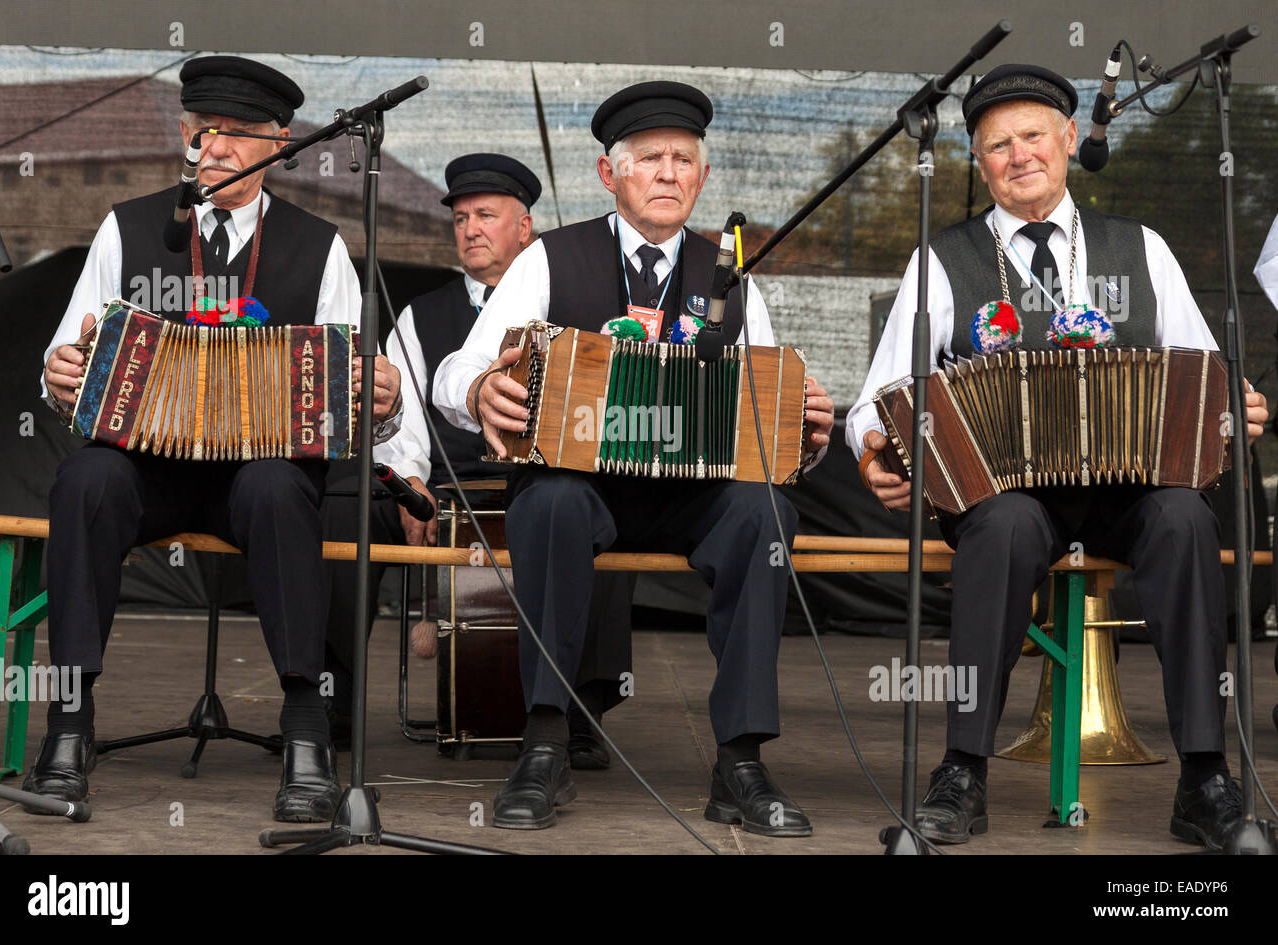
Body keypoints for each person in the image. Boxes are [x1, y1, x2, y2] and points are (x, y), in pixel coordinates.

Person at [846, 64, 1269, 849]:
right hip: (1007, 494)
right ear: (978, 163)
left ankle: (1205, 776)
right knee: (1002, 525)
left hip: (1128, 488)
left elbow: (1207, 371)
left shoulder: (1139, 247)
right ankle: (961, 771)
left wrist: (1234, 407)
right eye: (997, 145)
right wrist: (875, 445)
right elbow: (878, 397)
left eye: (1033, 136)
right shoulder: (944, 258)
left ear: (1069, 139)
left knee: (1183, 516)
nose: (1019, 156)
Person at [435, 81, 835, 833]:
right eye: (649, 157)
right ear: (607, 173)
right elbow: (455, 369)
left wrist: (804, 430)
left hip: (696, 491)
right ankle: (547, 740)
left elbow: (770, 405)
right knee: (548, 499)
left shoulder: (731, 273)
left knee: (766, 510)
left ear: (704, 178)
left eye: (684, 160)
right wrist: (483, 386)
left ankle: (740, 759)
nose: (668, 172)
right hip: (585, 484)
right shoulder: (552, 257)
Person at [31, 55, 403, 823]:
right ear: (185, 133)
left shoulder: (319, 245)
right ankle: (69, 725)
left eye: (240, 134)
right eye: (205, 131)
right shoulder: (128, 227)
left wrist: (383, 397)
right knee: (86, 480)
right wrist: (59, 374)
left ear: (281, 140)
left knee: (276, 486)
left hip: (256, 473)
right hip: (149, 468)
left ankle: (305, 728)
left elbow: (359, 387)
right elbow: (65, 356)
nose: (219, 147)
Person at [321, 153, 633, 768]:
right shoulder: (420, 314)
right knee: (344, 502)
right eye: (460, 218)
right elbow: (399, 412)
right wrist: (410, 482)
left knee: (604, 505)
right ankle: (331, 699)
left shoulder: (571, 299)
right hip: (447, 483)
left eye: (486, 215)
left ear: (526, 228)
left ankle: (579, 710)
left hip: (545, 477)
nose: (470, 229)